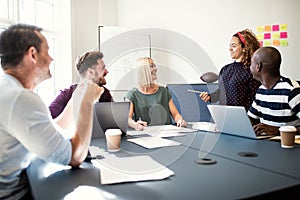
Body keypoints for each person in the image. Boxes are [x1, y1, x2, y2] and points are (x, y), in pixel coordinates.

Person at [0, 24, 103, 199]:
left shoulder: (7, 90)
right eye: (47, 51)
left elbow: (49, 129)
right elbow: (75, 156)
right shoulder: (20, 98)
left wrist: (76, 100)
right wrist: (86, 102)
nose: (51, 58)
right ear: (33, 54)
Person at [200, 29, 261, 111]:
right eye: (230, 46)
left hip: (245, 119)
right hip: (225, 116)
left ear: (244, 48)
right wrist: (210, 96)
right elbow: (221, 92)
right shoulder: (225, 69)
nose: (230, 49)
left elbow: (256, 98)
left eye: (234, 46)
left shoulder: (252, 70)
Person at [247, 46, 300, 136]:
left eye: (251, 63)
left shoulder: (291, 91)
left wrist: (278, 130)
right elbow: (251, 118)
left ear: (258, 67)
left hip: (289, 146)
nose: (249, 67)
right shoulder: (261, 91)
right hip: (267, 143)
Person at [126, 57, 187, 130]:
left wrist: (180, 120)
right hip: (145, 134)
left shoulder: (163, 91)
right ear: (143, 71)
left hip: (167, 132)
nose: (155, 69)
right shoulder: (132, 94)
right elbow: (127, 119)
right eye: (151, 66)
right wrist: (135, 125)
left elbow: (176, 114)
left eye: (154, 66)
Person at [49, 50, 112, 119]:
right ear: (90, 72)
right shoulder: (67, 94)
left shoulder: (105, 93)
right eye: (103, 68)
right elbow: (48, 122)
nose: (107, 71)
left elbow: (116, 120)